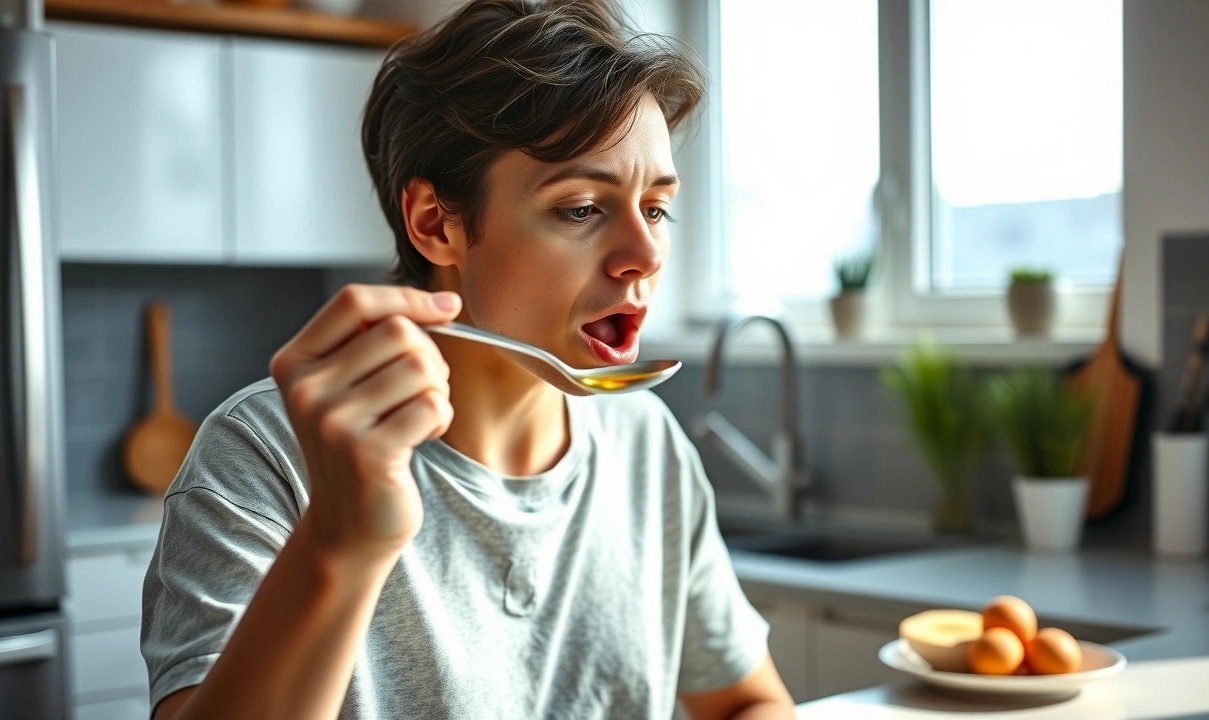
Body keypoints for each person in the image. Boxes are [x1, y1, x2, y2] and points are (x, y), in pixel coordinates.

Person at [140, 0, 794, 717]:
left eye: (657, 208)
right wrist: (342, 541)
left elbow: (748, 704)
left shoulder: (645, 444)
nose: (645, 253)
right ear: (436, 223)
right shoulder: (265, 456)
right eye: (581, 207)